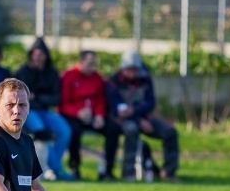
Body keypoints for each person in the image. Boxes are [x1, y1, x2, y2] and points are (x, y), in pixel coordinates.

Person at [106, 51, 179, 181]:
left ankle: (168, 172)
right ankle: (128, 173)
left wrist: (135, 112)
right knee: (131, 130)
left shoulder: (145, 80)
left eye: (135, 70)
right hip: (122, 120)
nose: (132, 73)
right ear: (123, 69)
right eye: (129, 70)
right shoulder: (113, 82)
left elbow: (150, 103)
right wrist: (138, 120)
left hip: (144, 117)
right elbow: (114, 108)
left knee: (170, 132)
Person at [15, 37, 73, 182]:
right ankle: (55, 169)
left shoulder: (52, 73)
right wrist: (35, 99)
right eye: (35, 54)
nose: (38, 57)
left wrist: (37, 97)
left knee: (65, 130)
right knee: (41, 131)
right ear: (31, 55)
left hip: (45, 111)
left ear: (46, 56)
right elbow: (20, 98)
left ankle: (55, 166)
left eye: (41, 54)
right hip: (28, 112)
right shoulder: (22, 72)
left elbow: (56, 99)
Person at [59, 50, 121, 181]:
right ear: (80, 62)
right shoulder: (68, 76)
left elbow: (100, 100)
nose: (92, 67)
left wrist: (99, 115)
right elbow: (63, 103)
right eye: (89, 64)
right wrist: (78, 112)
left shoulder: (97, 78)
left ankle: (107, 170)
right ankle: (75, 167)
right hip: (74, 116)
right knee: (73, 130)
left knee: (114, 129)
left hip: (93, 116)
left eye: (94, 64)